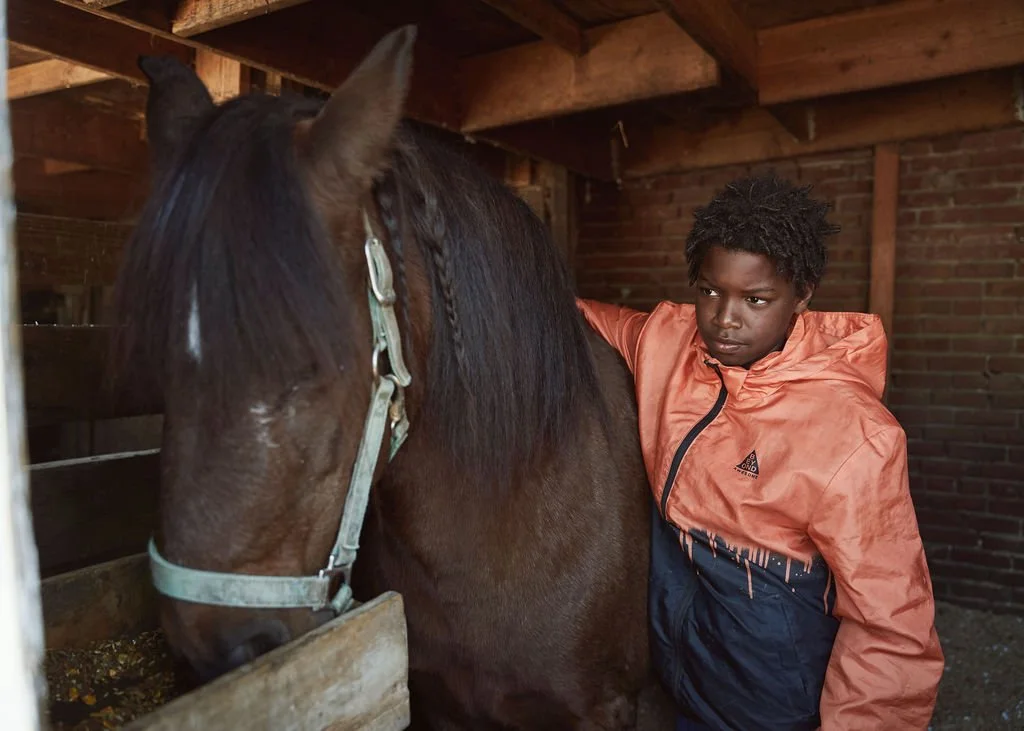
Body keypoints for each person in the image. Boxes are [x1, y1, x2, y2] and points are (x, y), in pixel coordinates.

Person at [577, 172, 944, 730]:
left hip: (767, 687)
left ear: (801, 295)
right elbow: (592, 321)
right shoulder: (669, 341)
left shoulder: (854, 433)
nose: (725, 318)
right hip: (680, 654)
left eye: (755, 299)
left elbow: (890, 624)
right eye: (709, 291)